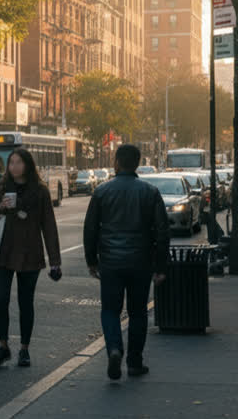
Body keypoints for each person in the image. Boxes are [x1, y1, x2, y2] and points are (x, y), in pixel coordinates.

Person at [84, 144, 170, 380]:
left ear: (116, 163)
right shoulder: (150, 192)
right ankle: (134, 362)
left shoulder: (102, 192)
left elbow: (90, 229)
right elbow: (162, 232)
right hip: (140, 262)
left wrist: (92, 260)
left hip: (110, 262)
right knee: (138, 313)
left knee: (110, 310)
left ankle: (114, 348)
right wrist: (161, 267)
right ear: (137, 164)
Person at [0, 148, 62, 368]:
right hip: (2, 253)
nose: (14, 167)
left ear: (27, 165)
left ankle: (24, 349)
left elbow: (49, 226)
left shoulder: (40, 191)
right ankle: (3, 346)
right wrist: (0, 208)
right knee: (0, 301)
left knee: (26, 303)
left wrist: (55, 260)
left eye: (18, 162)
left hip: (29, 253)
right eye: (11, 163)